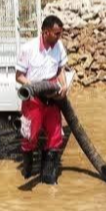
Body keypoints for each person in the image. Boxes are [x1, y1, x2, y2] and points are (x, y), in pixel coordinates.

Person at [15, 15, 70, 184]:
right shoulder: (28, 49)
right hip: (34, 99)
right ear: (46, 32)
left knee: (55, 137)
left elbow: (60, 69)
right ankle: (28, 171)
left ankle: (49, 177)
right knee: (30, 136)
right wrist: (34, 86)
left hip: (53, 98)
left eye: (60, 33)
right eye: (56, 33)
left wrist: (64, 85)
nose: (59, 37)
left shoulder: (58, 47)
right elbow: (19, 76)